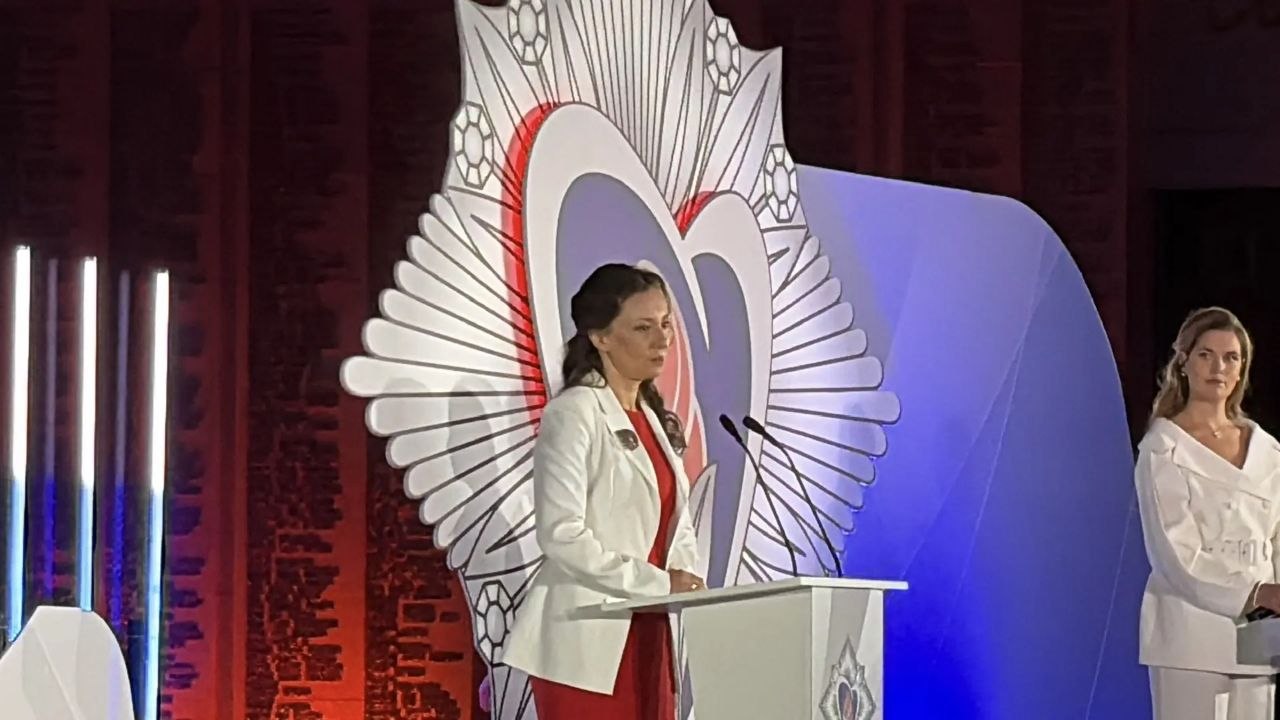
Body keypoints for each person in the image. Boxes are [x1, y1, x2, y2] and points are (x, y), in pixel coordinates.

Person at [502, 263, 705, 720]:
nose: (662, 340)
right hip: (588, 637)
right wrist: (658, 584)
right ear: (600, 337)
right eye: (643, 327)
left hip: (651, 626)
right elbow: (561, 535)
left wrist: (686, 582)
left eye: (665, 324)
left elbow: (672, 527)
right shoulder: (575, 412)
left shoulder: (653, 417)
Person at [1136, 307, 1280, 720]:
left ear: (1242, 369)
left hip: (1258, 632)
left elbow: (1275, 540)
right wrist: (1256, 593)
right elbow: (1175, 557)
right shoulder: (1164, 449)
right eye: (1206, 355)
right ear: (1183, 362)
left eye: (1231, 357)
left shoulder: (1267, 450)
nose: (1218, 367)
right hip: (1189, 634)